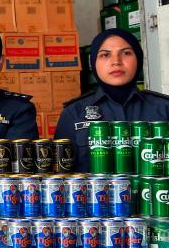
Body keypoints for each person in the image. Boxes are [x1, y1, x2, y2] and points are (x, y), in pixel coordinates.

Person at [55, 27, 169, 172]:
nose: (116, 61)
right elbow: (62, 176)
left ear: (139, 59)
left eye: (126, 53)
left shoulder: (164, 108)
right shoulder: (73, 113)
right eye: (105, 55)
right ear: (94, 63)